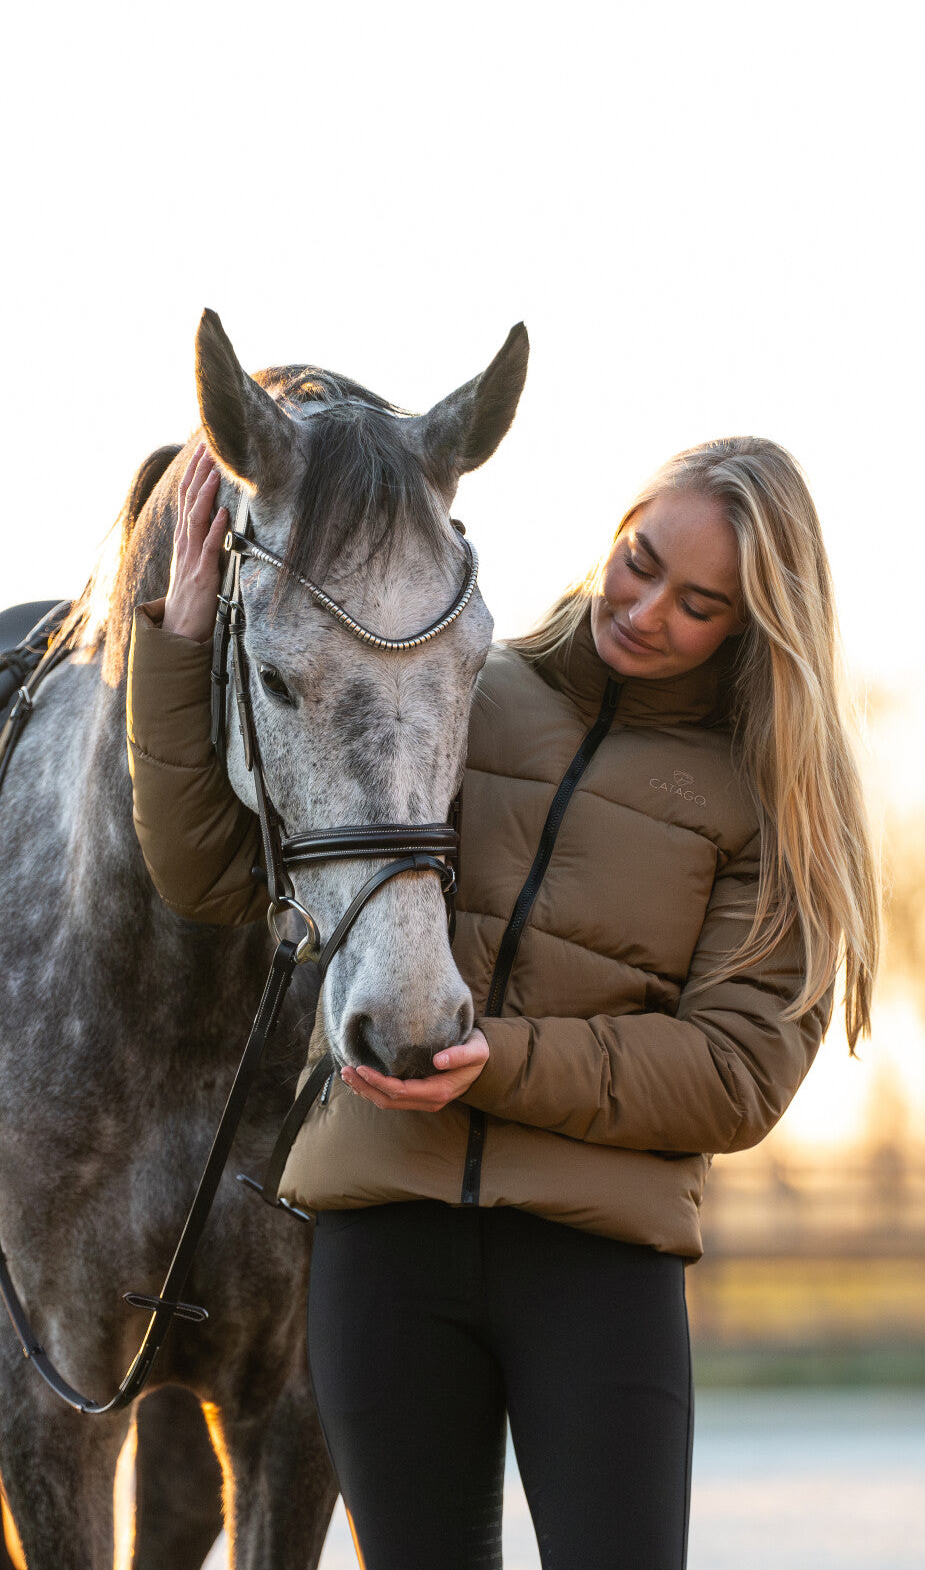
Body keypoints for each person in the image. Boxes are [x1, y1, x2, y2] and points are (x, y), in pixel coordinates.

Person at [126, 433, 880, 1570]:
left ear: (753, 622)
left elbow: (734, 1075)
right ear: (615, 532)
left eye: (699, 603)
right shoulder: (462, 693)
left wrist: (500, 1057)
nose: (645, 608)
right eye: (640, 560)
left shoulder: (769, 803)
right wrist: (179, 646)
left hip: (593, 1271)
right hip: (383, 1251)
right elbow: (218, 875)